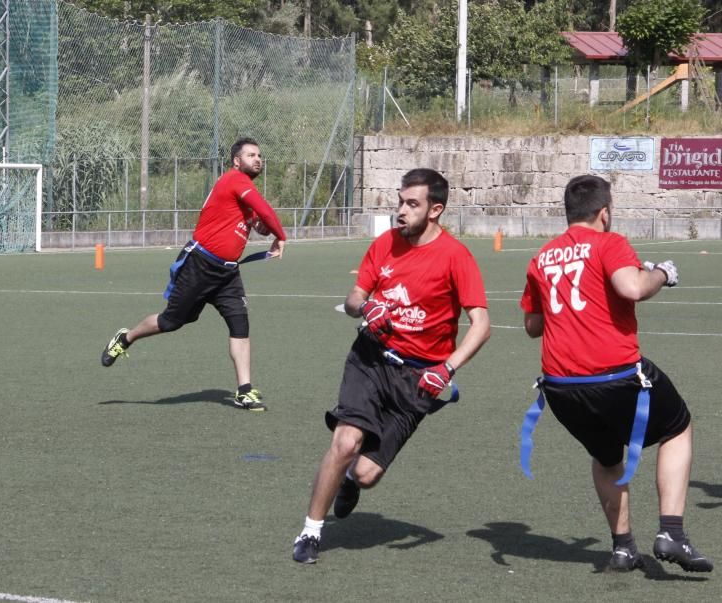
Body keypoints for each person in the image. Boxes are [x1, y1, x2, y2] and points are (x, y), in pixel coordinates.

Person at [292, 168, 491, 564]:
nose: (401, 210)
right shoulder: (385, 244)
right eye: (400, 201)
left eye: (411, 204)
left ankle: (349, 481)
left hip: (417, 379)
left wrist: (447, 368)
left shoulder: (456, 256)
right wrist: (366, 306)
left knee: (367, 474)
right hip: (369, 358)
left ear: (436, 209)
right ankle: (312, 531)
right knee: (346, 441)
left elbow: (481, 325)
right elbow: (352, 300)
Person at [519, 174, 712, 573]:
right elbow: (632, 287)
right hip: (615, 376)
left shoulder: (541, 258)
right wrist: (661, 273)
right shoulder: (609, 243)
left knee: (607, 457)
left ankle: (623, 547)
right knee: (677, 427)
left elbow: (533, 326)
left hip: (560, 388)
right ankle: (672, 532)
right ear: (604, 213)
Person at [100, 137, 286, 411]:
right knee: (171, 321)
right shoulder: (234, 180)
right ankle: (126, 338)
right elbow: (266, 212)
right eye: (251, 155)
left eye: (259, 155)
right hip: (199, 264)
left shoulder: (243, 193)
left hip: (227, 274)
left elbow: (259, 221)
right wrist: (281, 235)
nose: (258, 159)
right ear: (237, 161)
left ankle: (244, 390)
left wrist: (263, 227)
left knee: (240, 325)